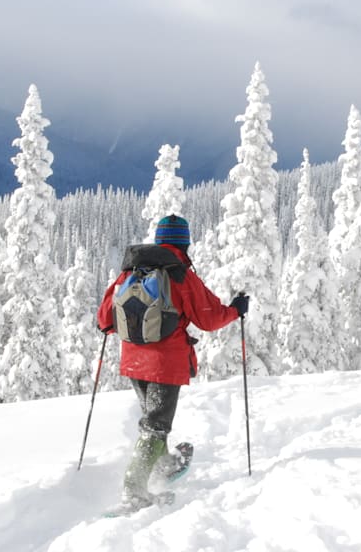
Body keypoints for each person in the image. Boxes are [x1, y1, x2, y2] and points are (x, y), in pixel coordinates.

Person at [96, 214, 249, 510]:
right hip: (165, 365)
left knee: (153, 420)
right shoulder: (179, 274)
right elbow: (208, 317)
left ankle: (162, 464)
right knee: (156, 425)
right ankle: (134, 489)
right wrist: (235, 310)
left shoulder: (131, 270)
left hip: (133, 361)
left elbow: (104, 320)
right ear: (185, 242)